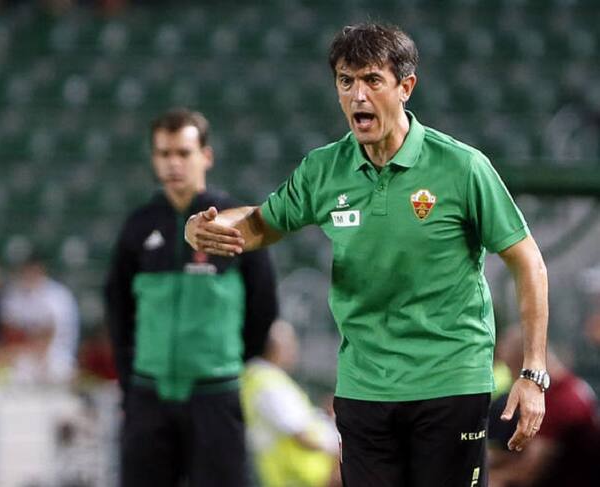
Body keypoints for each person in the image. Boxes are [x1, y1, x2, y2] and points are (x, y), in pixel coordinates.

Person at [185, 23, 549, 487]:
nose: (358, 95)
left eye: (372, 80)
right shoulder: (324, 169)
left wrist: (533, 373)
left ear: (406, 87)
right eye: (346, 81)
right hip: (364, 388)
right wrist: (206, 227)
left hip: (450, 384)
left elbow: (528, 261)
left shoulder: (462, 167)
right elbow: (261, 222)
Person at [104, 108, 278, 487]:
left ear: (206, 156)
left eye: (183, 153)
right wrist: (132, 381)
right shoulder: (138, 225)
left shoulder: (236, 223)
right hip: (149, 396)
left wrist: (229, 364)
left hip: (216, 396)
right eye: (164, 154)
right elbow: (118, 308)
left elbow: (264, 306)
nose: (173, 163)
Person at [488, 326, 600, 487]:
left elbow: (527, 474)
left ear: (524, 363)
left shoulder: (561, 401)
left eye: (511, 367)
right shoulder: (569, 387)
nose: (512, 378)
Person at [241, 319, 341, 487]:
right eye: (291, 342)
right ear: (275, 347)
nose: (295, 349)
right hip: (303, 476)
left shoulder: (260, 378)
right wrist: (337, 448)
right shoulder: (270, 384)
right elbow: (300, 434)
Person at [0, 253, 80, 384]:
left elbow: (50, 336)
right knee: (11, 373)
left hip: (56, 355)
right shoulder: (13, 295)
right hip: (23, 356)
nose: (29, 275)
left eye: (33, 270)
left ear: (41, 271)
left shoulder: (59, 297)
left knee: (59, 371)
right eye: (26, 271)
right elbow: (10, 334)